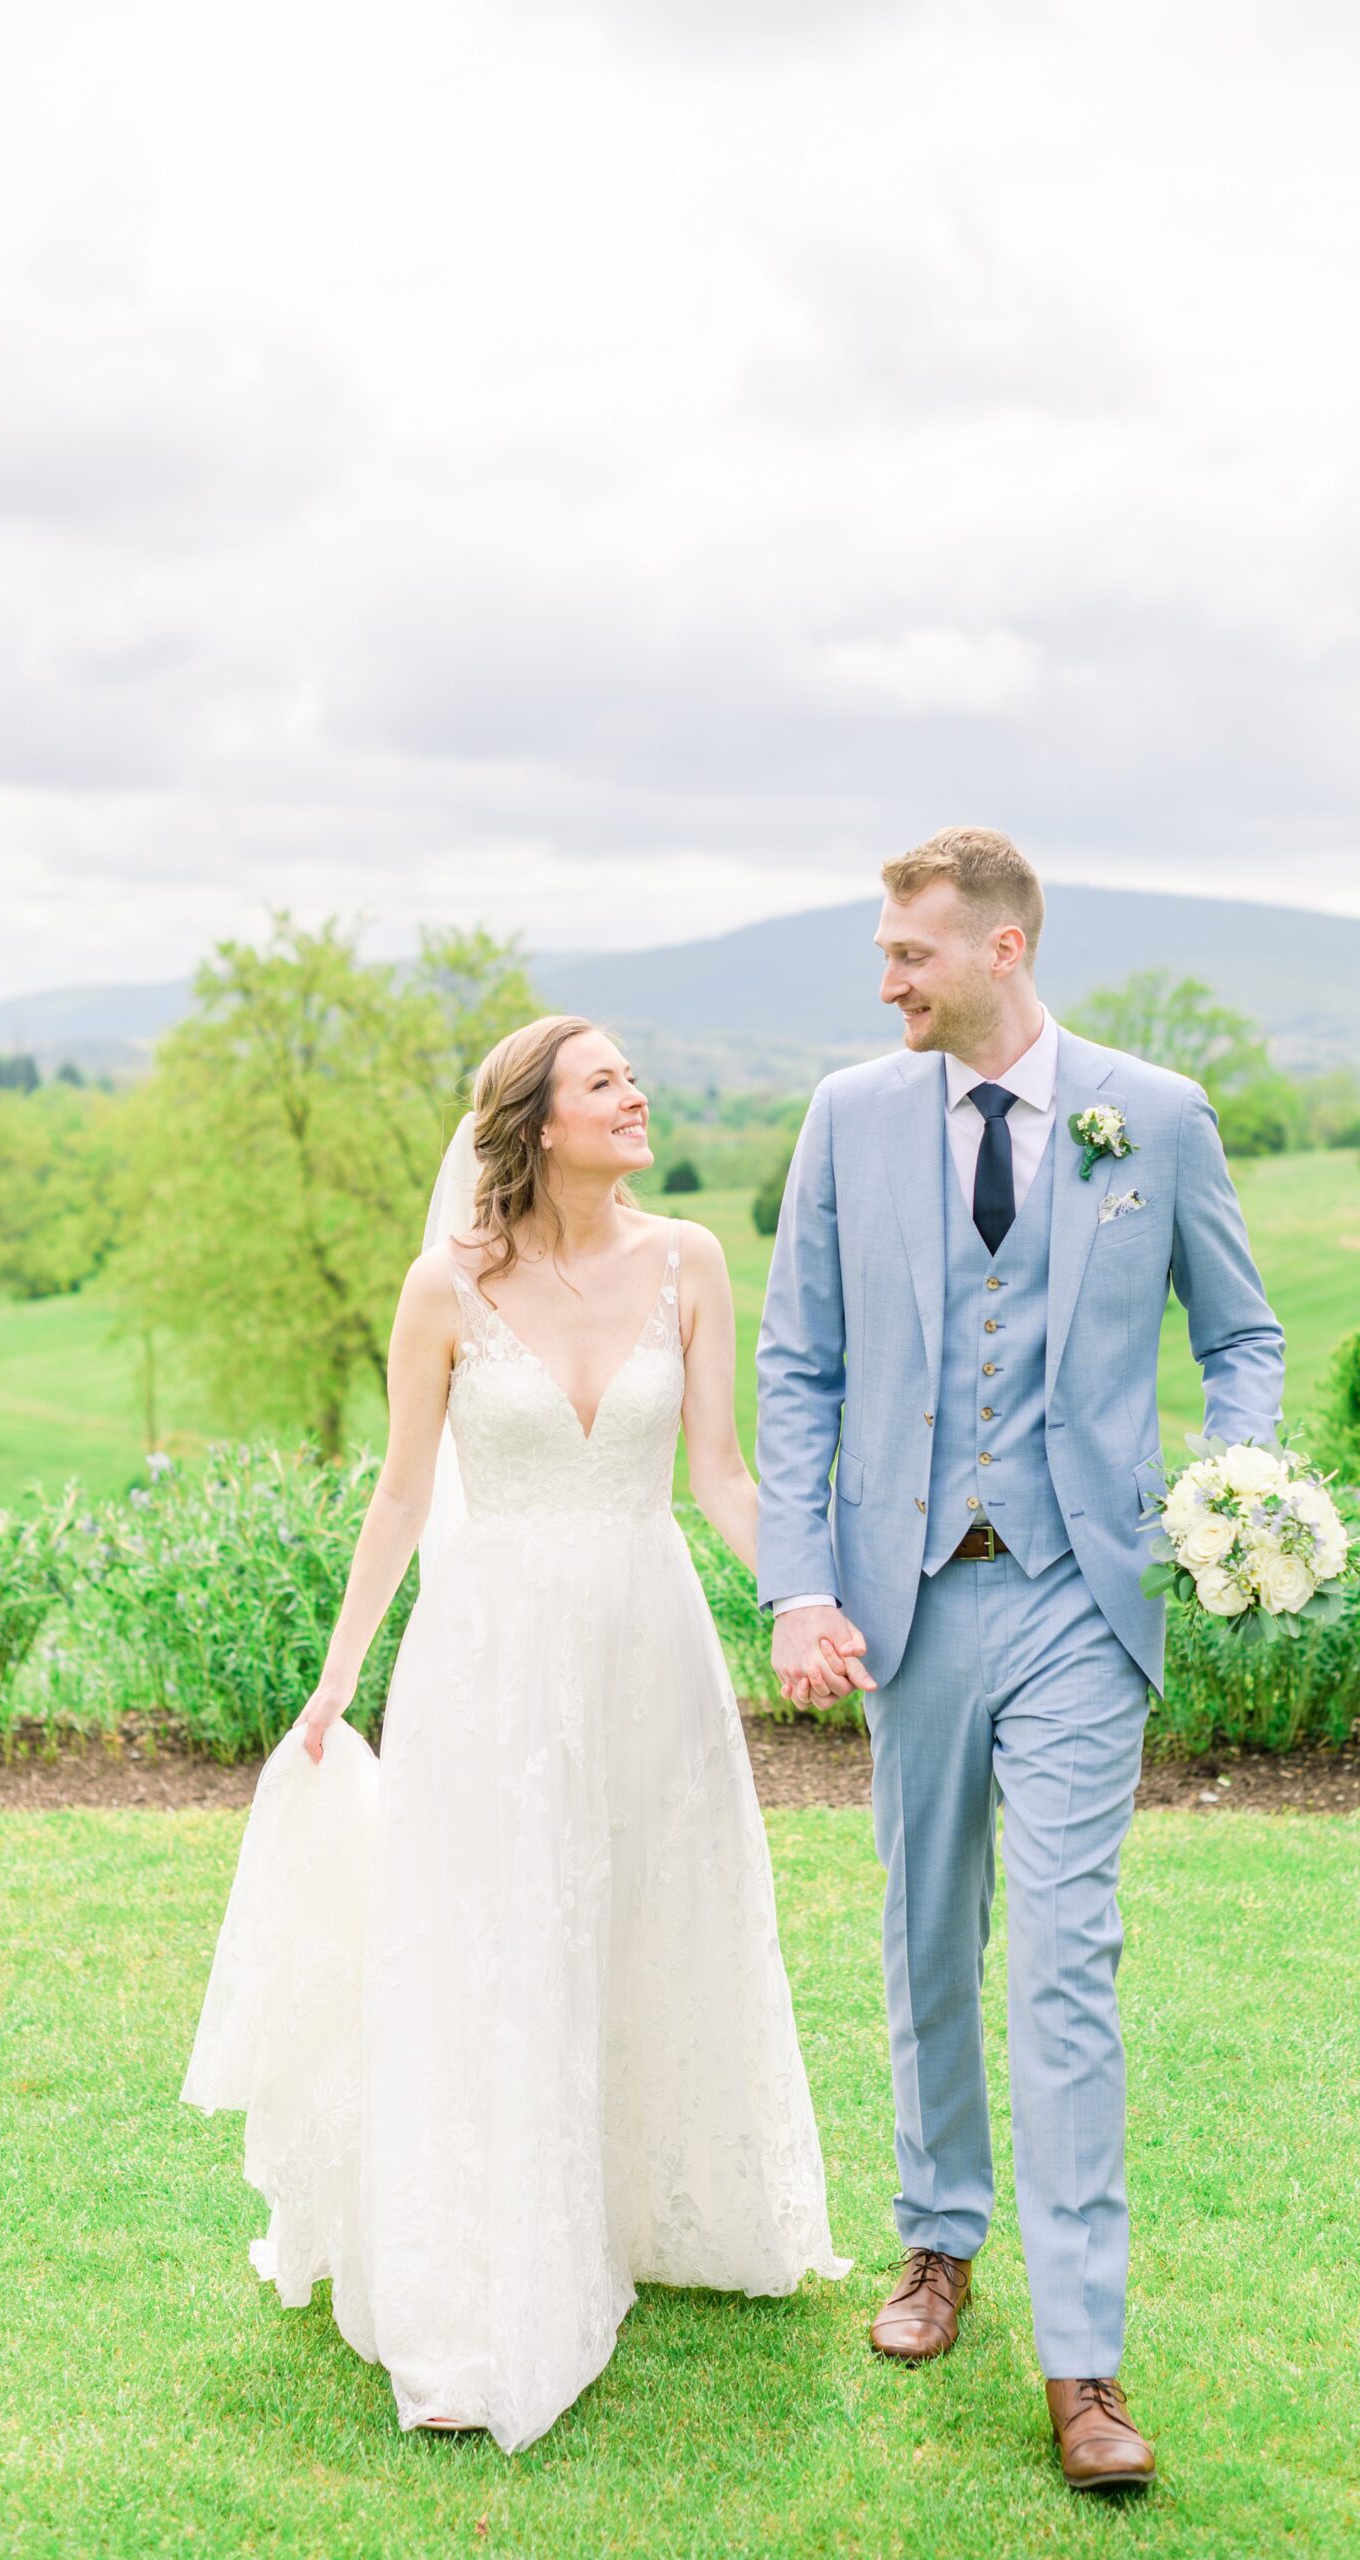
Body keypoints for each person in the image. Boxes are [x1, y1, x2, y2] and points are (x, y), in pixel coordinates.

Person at [183, 1013, 847, 2452]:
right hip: (491, 1657)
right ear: (542, 1120)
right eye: (609, 1081)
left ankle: (651, 2195)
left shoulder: (689, 1261)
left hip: (650, 1639)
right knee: (507, 1938)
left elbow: (721, 1475)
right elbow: (404, 1500)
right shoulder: (447, 1287)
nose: (639, 1093)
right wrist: (336, 1678)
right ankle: (490, 2270)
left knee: (657, 1912)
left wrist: (805, 1597)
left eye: (634, 1075)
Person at [756, 828, 1284, 2493]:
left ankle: (1085, 2362)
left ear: (1002, 951)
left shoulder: (1159, 1115)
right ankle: (937, 2241)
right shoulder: (849, 1118)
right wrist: (794, 1587)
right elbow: (799, 1364)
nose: (887, 979)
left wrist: (1239, 1482)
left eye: (910, 951)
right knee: (926, 1936)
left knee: (1063, 1961)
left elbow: (1243, 1332)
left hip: (1083, 1601)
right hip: (906, 1595)